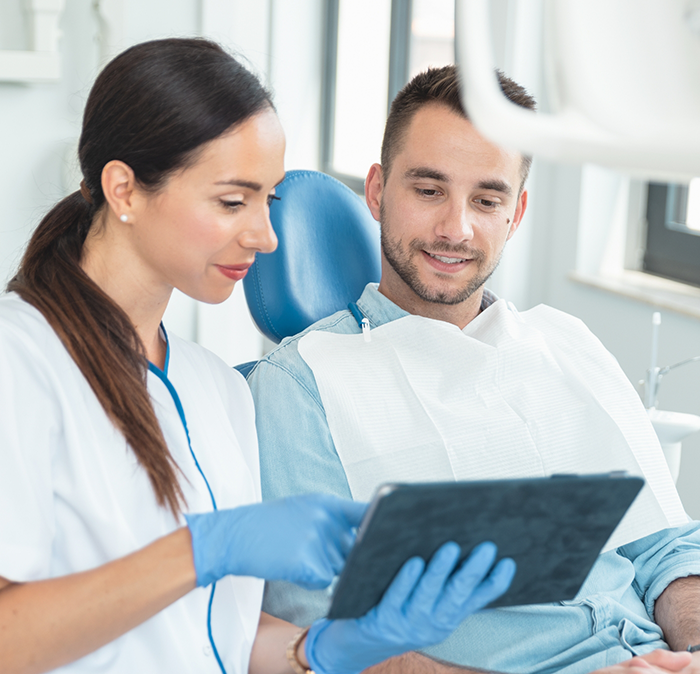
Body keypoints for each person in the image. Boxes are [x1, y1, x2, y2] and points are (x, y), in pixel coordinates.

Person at [0, 42, 519, 674]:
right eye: (230, 201)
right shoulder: (20, 362)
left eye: (268, 201)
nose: (265, 236)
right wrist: (205, 549)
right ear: (125, 189)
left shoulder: (214, 388)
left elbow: (221, 633)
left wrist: (331, 647)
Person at [247, 65, 700, 674]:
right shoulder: (300, 384)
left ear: (515, 215)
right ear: (377, 192)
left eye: (486, 200)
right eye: (429, 190)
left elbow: (666, 544)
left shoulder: (565, 342)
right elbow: (324, 640)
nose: (455, 228)